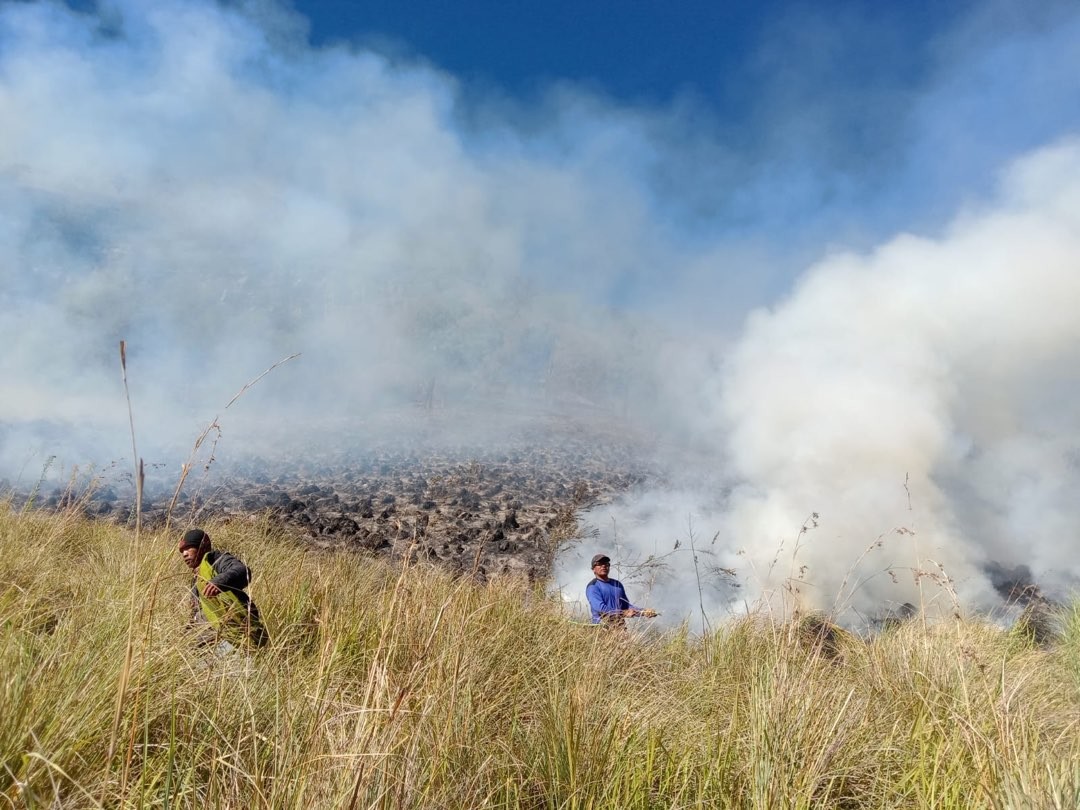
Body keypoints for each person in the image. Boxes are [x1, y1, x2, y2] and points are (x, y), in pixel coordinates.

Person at [178, 528, 269, 648]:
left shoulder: (215, 560)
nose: (185, 554)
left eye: (189, 548)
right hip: (209, 638)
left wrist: (218, 582)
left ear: (202, 547)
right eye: (182, 551)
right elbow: (196, 612)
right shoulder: (195, 580)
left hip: (233, 631)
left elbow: (242, 571)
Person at [585, 553, 657, 626]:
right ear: (593, 569)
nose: (603, 566)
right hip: (602, 628)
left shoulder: (617, 584)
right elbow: (600, 609)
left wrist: (643, 612)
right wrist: (623, 613)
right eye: (600, 564)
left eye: (606, 563)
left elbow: (626, 605)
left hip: (620, 628)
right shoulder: (593, 587)